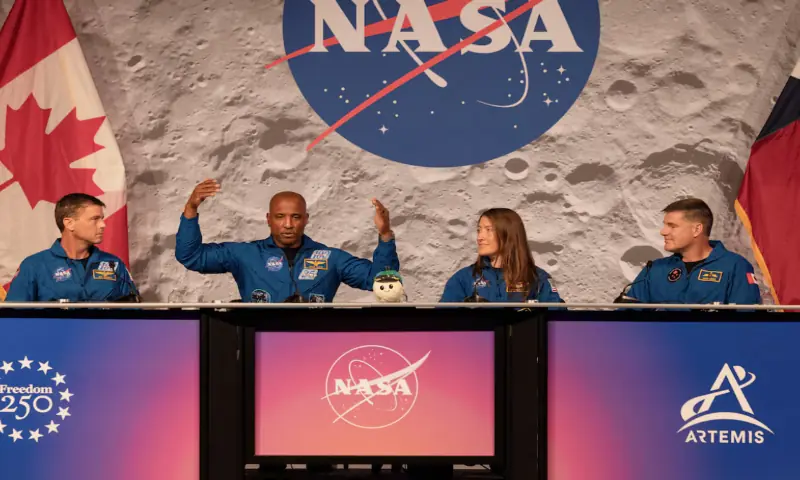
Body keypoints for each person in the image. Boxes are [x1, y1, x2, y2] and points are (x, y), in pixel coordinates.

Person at [175, 179, 399, 302]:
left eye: (296, 217)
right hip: (258, 347)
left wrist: (385, 235)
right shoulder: (245, 254)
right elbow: (192, 257)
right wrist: (191, 209)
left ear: (306, 220)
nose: (289, 224)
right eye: (280, 217)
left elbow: (380, 282)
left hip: (315, 348)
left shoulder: (331, 259)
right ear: (269, 220)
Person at [621, 198, 761, 304]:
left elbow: (746, 325)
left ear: (697, 229)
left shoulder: (735, 267)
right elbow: (626, 321)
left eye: (672, 226)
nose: (663, 232)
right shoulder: (654, 269)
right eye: (665, 225)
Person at [6, 193, 139, 302]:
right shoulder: (34, 266)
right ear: (69, 224)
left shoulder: (114, 264)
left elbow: (134, 313)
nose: (103, 225)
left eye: (102, 219)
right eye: (95, 219)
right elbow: (12, 318)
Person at [440, 208, 563, 303]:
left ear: (508, 234)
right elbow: (443, 323)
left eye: (488, 230)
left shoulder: (537, 278)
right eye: (479, 230)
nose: (480, 237)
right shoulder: (463, 279)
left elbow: (556, 322)